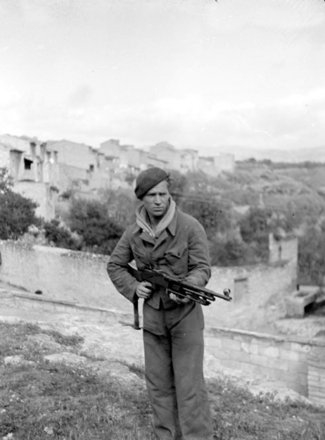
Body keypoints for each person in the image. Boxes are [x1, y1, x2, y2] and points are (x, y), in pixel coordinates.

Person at [107, 167, 214, 440]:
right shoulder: (134, 233)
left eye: (163, 194)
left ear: (170, 195)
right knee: (158, 384)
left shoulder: (190, 227)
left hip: (185, 317)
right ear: (141, 198)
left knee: (189, 385)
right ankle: (164, 435)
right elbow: (115, 265)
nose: (158, 200)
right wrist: (134, 287)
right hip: (154, 318)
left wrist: (188, 288)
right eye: (151, 195)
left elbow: (202, 268)